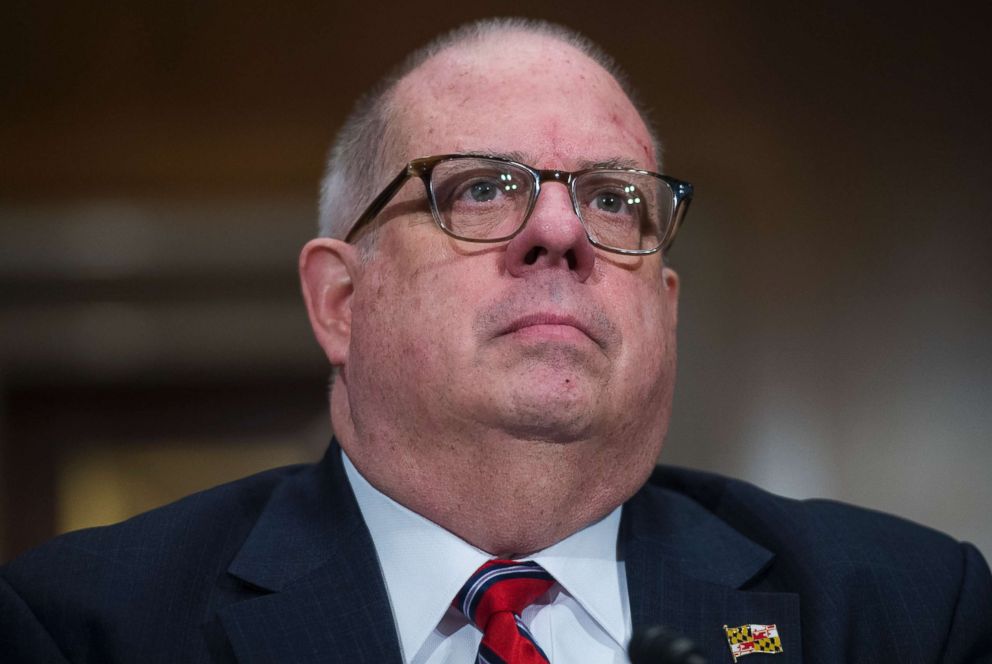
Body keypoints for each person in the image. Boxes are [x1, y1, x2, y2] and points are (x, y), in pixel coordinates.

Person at [1, 17, 990, 664]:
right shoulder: (84, 629)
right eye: (479, 187)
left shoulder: (903, 615)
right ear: (339, 301)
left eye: (611, 199)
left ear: (666, 309)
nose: (559, 231)